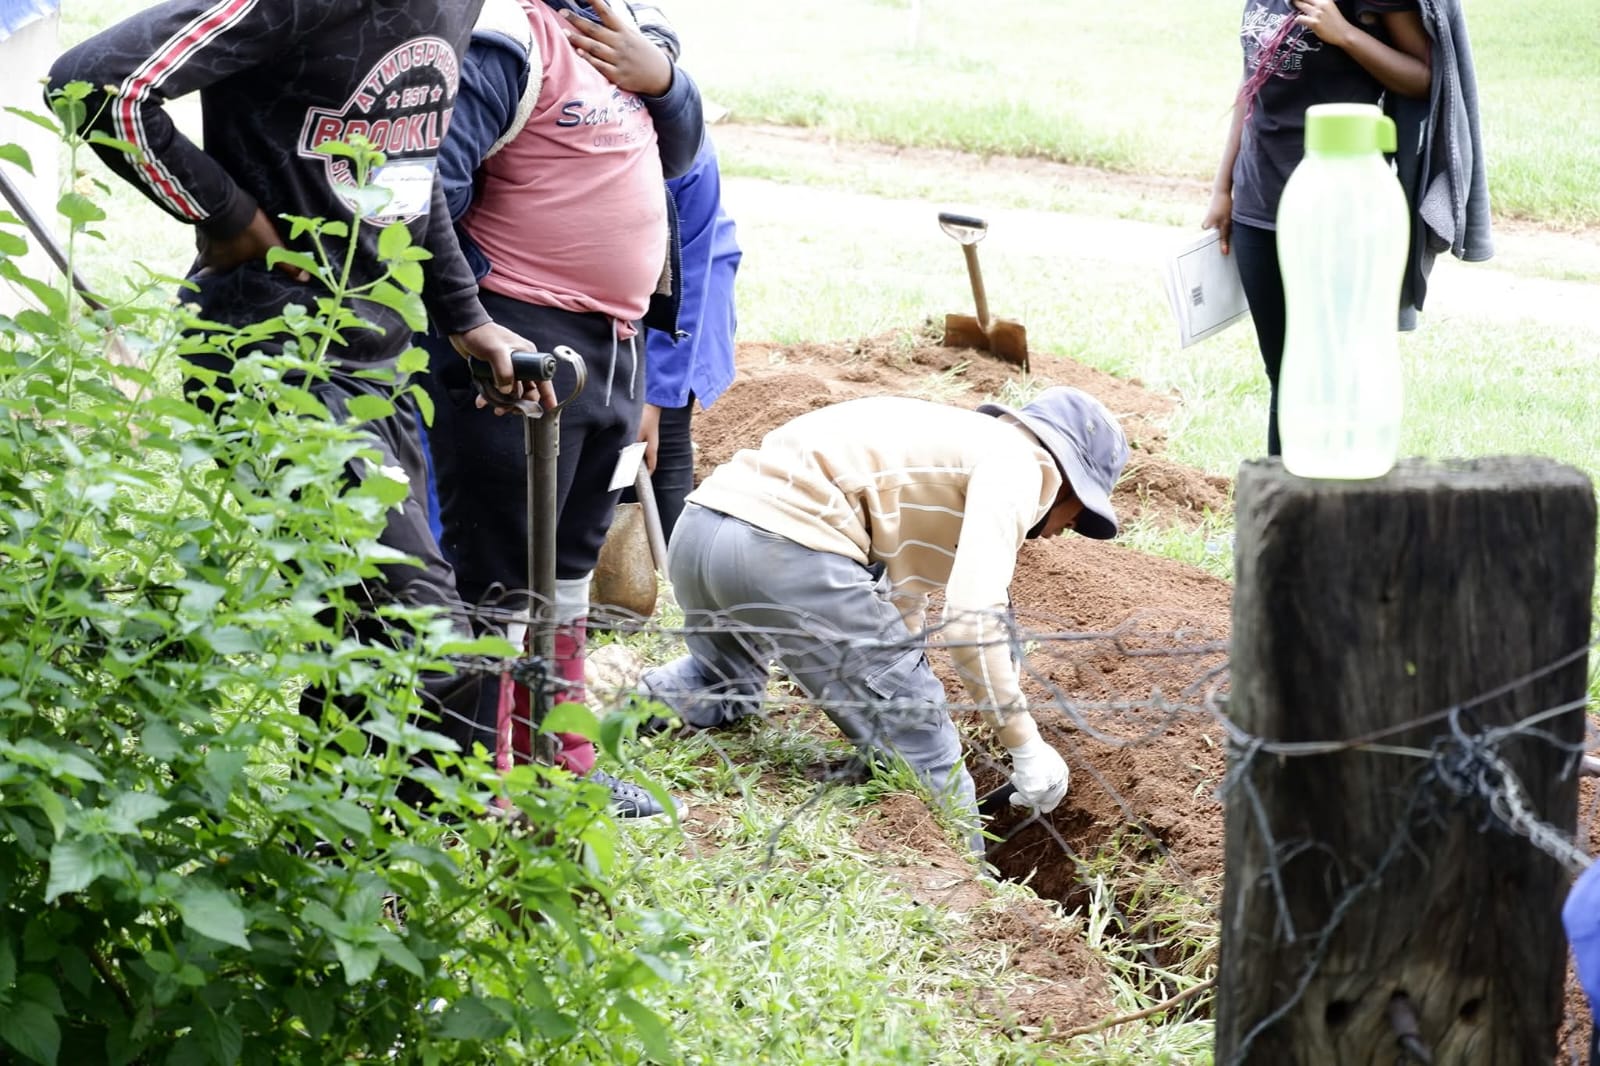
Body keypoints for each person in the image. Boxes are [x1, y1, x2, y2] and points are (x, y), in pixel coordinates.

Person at [46, 0, 546, 794]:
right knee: (426, 641)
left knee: (354, 633)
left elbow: (408, 167)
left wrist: (465, 316)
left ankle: (334, 851)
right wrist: (228, 213)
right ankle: (433, 844)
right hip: (272, 353)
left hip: (378, 361)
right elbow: (97, 82)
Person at [417, 0, 704, 816]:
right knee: (501, 573)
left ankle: (561, 761)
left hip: (614, 348)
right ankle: (482, 774)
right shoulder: (510, 40)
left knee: (572, 568)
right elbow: (430, 186)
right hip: (520, 346)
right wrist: (470, 322)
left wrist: (664, 79)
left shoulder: (625, 28)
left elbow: (681, 150)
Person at [635, 386, 1131, 851]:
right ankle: (971, 891)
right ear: (1066, 477)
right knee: (927, 746)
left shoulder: (955, 440)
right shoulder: (1020, 466)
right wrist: (1024, 745)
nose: (1069, 528)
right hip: (782, 554)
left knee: (722, 683)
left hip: (701, 530)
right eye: (1080, 512)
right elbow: (971, 624)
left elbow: (901, 598)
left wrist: (899, 681)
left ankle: (617, 720)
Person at [1204, 0, 1431, 457]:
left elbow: (1423, 76)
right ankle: (1284, 498)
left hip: (1335, 211)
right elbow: (1252, 82)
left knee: (1327, 375)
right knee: (1284, 375)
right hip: (1257, 204)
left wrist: (1343, 33)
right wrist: (1223, 187)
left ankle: (1328, 490)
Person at [620, 131, 741, 543]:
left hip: (687, 280)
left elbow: (687, 278)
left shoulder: (683, 144)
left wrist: (654, 398)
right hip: (611, 275)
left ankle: (665, 569)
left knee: (656, 442)